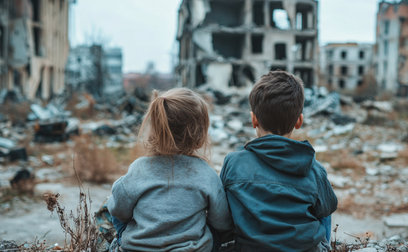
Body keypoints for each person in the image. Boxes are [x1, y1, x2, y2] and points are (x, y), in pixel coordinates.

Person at [220, 71, 338, 252]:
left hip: (249, 248)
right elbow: (328, 207)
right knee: (324, 207)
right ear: (299, 121)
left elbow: (223, 211)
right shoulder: (314, 169)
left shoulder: (233, 162)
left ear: (253, 120)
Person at [107, 88, 232, 252]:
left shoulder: (139, 169)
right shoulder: (206, 174)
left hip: (138, 248)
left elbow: (118, 210)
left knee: (111, 210)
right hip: (191, 249)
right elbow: (222, 222)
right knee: (215, 232)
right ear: (199, 134)